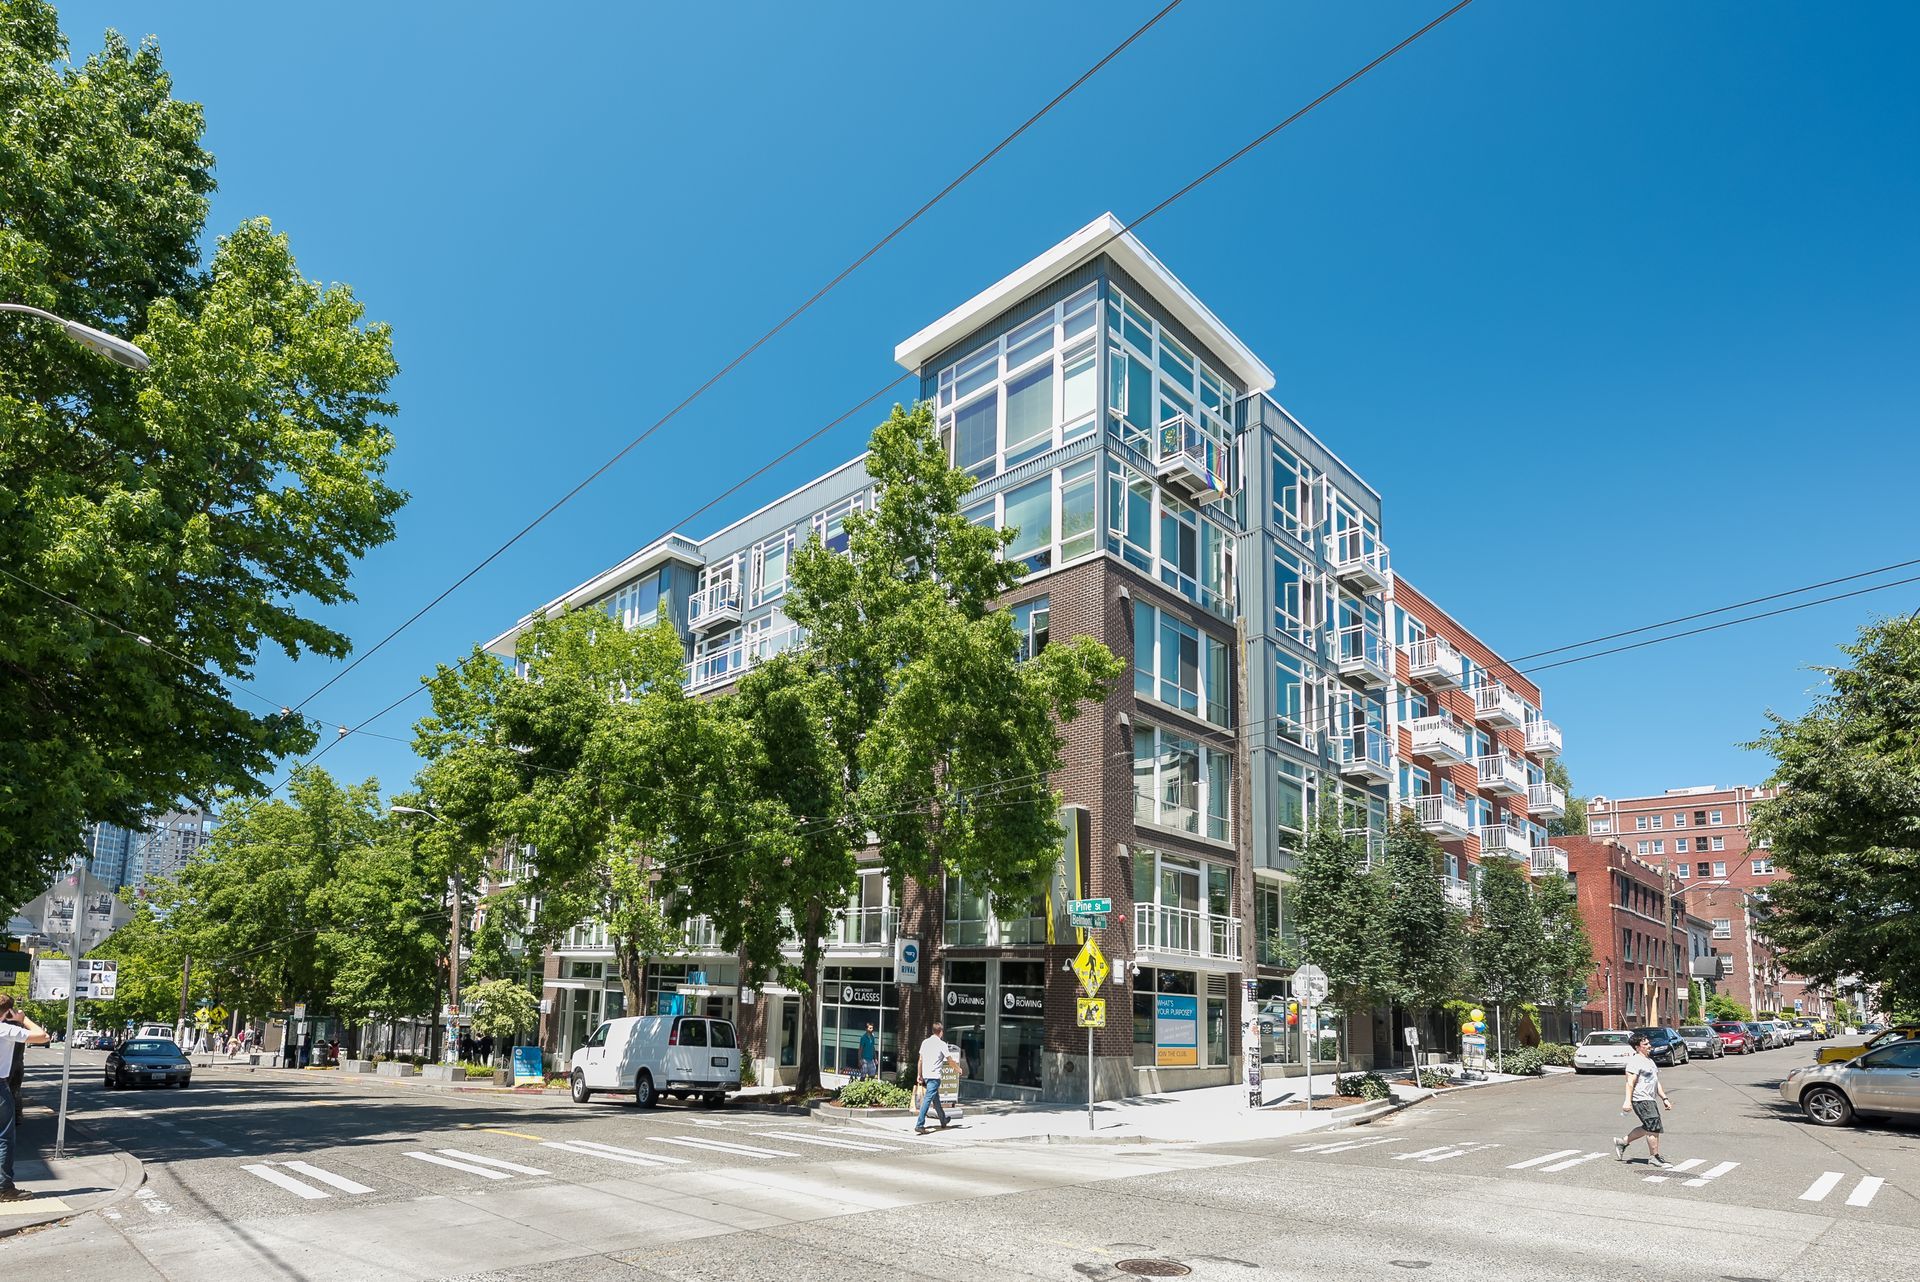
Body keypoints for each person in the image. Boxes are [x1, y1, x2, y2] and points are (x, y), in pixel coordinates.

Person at [1, 995, 54, 1202]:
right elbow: (43, 1036)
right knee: (4, 1138)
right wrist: (23, 1019)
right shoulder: (5, 1029)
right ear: (7, 1013)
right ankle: (3, 1187)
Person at [1613, 1032, 1675, 1169]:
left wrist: (1664, 1098)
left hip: (1650, 1099)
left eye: (1648, 1043)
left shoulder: (1650, 1061)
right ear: (1637, 1047)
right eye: (1645, 1044)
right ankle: (1654, 1157)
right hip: (1641, 1099)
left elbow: (1656, 1082)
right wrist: (1627, 1101)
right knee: (1653, 1127)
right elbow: (1630, 1082)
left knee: (1649, 1127)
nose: (1649, 1046)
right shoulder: (1635, 1062)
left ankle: (1622, 1142)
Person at [913, 1022, 957, 1135]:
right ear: (941, 1032)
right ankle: (919, 1124)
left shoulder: (925, 1042)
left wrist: (919, 1074)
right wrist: (958, 1069)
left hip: (927, 1075)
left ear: (933, 1031)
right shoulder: (942, 1044)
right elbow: (950, 1060)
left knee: (935, 1099)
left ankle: (943, 1120)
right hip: (935, 1076)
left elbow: (920, 1060)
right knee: (928, 1099)